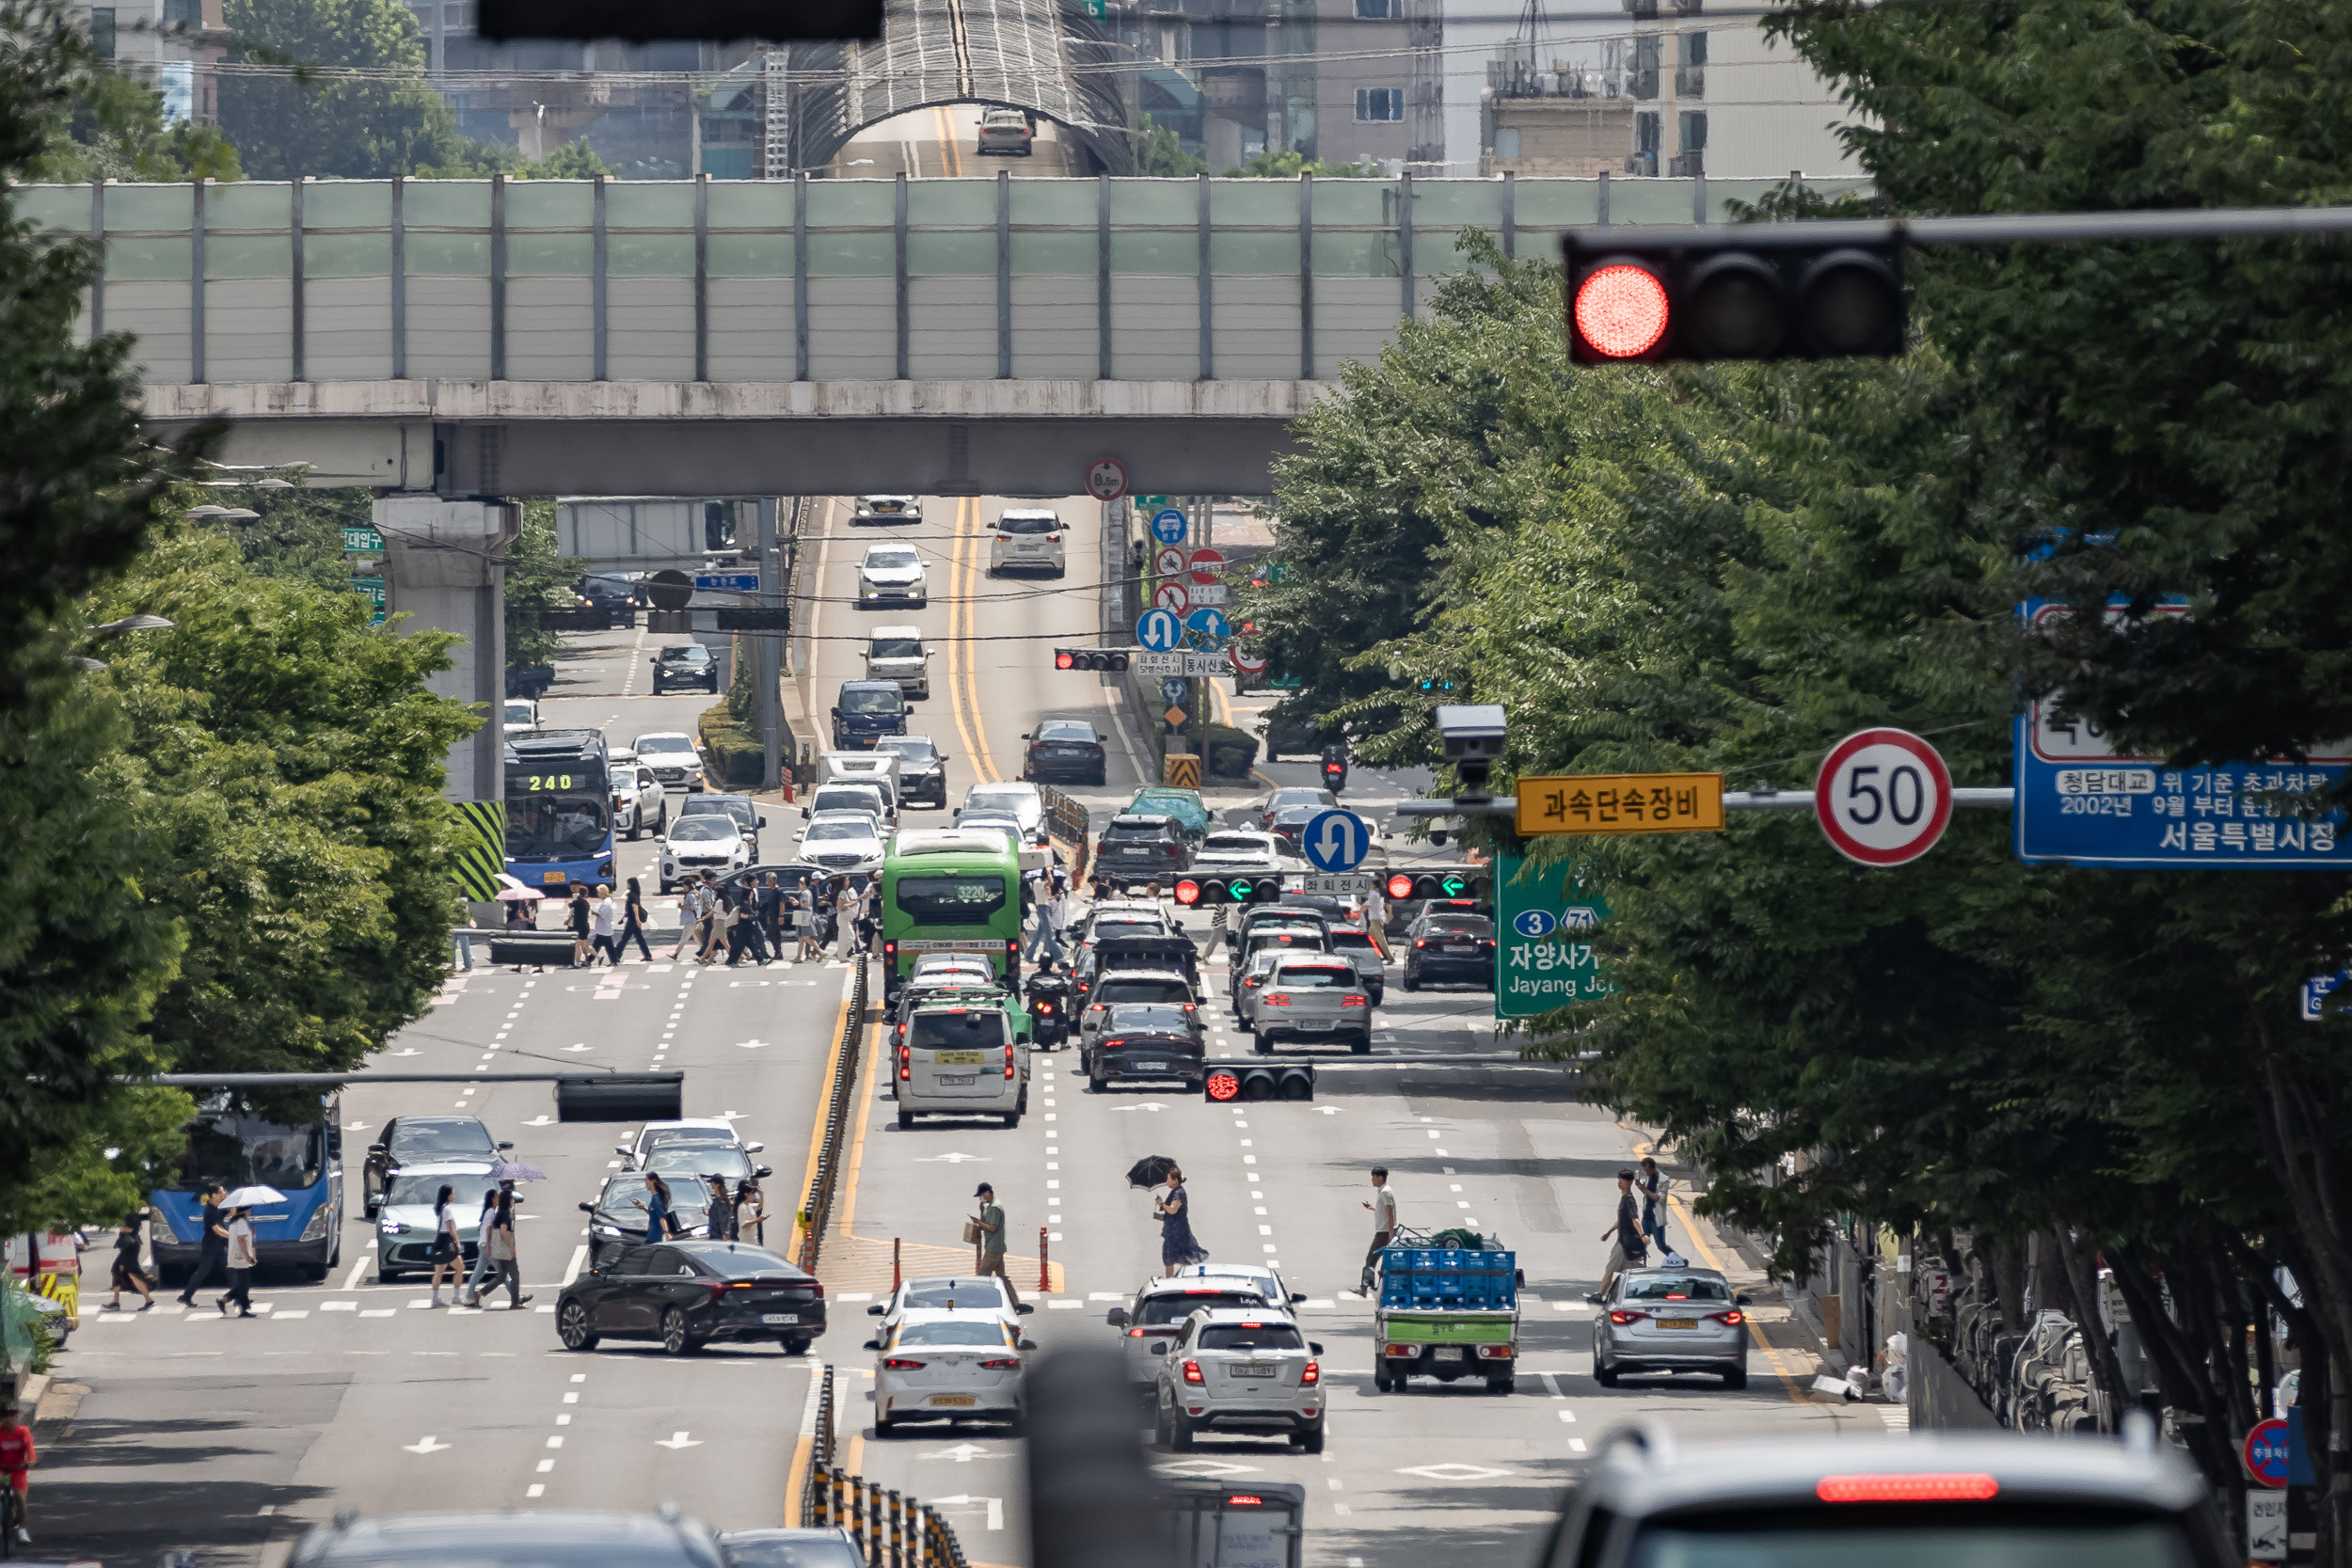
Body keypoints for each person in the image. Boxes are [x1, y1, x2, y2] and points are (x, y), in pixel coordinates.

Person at [1594, 1167, 1648, 1300]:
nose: (1619, 1183)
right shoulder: (1625, 1199)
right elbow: (1621, 1220)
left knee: (1610, 1268)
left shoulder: (1628, 1200)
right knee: (1637, 1272)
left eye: (1622, 1180)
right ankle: (1644, 1294)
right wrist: (1609, 1232)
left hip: (1625, 1243)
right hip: (1626, 1241)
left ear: (1629, 1182)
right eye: (1619, 1180)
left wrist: (1642, 1235)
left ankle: (1600, 1295)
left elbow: (1634, 1219)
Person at [175, 1182, 230, 1307]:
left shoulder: (218, 1208)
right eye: (221, 1192)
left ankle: (240, 1295)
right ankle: (186, 1296)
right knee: (202, 1272)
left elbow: (232, 1212)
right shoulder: (210, 1211)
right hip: (210, 1247)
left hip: (219, 1247)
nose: (223, 1194)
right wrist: (233, 1235)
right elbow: (217, 1230)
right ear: (214, 1195)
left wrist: (229, 1199)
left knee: (231, 1271)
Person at [969, 1182, 1020, 1308]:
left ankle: (976, 1303)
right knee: (1001, 1277)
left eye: (981, 1195)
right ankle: (1015, 1302)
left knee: (982, 1277)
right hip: (996, 1247)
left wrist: (978, 1222)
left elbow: (992, 1227)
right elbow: (985, 1223)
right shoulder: (991, 1206)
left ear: (987, 1193)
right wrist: (981, 1212)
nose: (981, 1198)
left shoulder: (995, 1208)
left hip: (993, 1248)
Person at [479, 1189, 532, 1309]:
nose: (513, 1200)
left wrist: (510, 1219)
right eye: (512, 1198)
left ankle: (480, 1293)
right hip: (505, 1250)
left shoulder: (500, 1213)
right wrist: (511, 1247)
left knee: (502, 1276)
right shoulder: (505, 1213)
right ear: (508, 1200)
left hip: (498, 1250)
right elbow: (503, 1232)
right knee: (515, 1276)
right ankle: (515, 1302)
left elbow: (494, 1228)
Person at [1154, 1166, 1208, 1276]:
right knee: (1169, 1259)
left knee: (1181, 1258)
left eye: (1168, 1178)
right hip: (1172, 1232)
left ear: (1175, 1180)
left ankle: (1193, 1277)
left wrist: (1162, 1204)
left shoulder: (1179, 1193)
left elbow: (1173, 1210)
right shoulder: (1175, 1192)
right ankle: (1170, 1282)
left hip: (1178, 1233)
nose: (1166, 1181)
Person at [460, 1183, 503, 1307]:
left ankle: (469, 1297)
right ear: (492, 1199)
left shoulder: (489, 1212)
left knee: (478, 1273)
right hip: (486, 1245)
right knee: (503, 1272)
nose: (499, 1199)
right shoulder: (490, 1213)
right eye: (497, 1197)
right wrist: (490, 1247)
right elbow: (489, 1231)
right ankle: (516, 1297)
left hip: (483, 1245)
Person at [0, 1404, 36, 1544]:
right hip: (2, 1469)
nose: (10, 1418)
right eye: (7, 1415)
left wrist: (31, 1461)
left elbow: (30, 1449)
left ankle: (22, 1528)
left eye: (13, 1414)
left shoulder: (23, 1431)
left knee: (21, 1500)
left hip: (18, 1470)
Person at [1359, 1166, 1397, 1295]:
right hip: (1385, 1231)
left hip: (1384, 1232)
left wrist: (1391, 1232)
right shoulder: (1384, 1191)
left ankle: (1364, 1288)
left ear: (1380, 1178)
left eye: (1374, 1178)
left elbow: (1390, 1211)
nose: (1372, 1180)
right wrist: (1373, 1208)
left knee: (1371, 1259)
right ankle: (1379, 1287)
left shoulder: (1385, 1192)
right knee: (1384, 1260)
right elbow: (1385, 1211)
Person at [428, 1183, 464, 1307]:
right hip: (447, 1241)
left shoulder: (440, 1208)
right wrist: (457, 1241)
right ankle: (457, 1296)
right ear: (448, 1195)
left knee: (439, 1271)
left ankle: (435, 1298)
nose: (453, 1196)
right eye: (452, 1193)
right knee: (460, 1268)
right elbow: (450, 1228)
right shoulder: (447, 1209)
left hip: (440, 1239)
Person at [109, 1212, 154, 1310]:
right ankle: (115, 1301)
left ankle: (148, 1299)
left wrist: (121, 1228)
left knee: (133, 1274)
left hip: (130, 1247)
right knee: (117, 1271)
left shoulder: (130, 1217)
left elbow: (131, 1229)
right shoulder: (134, 1215)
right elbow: (142, 1222)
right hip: (130, 1246)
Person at [220, 1205, 257, 1317]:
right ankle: (242, 1308)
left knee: (243, 1283)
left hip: (236, 1256)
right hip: (241, 1256)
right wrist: (247, 1256)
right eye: (249, 1209)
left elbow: (241, 1236)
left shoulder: (235, 1221)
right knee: (244, 1283)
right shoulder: (241, 1221)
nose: (250, 1212)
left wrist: (251, 1232)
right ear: (245, 1210)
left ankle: (225, 1301)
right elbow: (241, 1240)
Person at [1636, 1155, 1670, 1255]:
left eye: (1648, 1170)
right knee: (1641, 1244)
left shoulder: (1664, 1180)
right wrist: (1641, 1187)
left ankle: (1677, 1260)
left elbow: (1659, 1199)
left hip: (1656, 1219)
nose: (1647, 1173)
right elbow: (1648, 1195)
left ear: (1654, 1167)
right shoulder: (1648, 1178)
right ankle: (1641, 1266)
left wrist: (1646, 1190)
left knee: (1661, 1246)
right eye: (1645, 1171)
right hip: (1646, 1217)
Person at [633, 1171, 677, 1242]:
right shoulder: (654, 1197)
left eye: (646, 1181)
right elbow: (653, 1213)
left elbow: (661, 1217)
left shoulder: (657, 1199)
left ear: (652, 1181)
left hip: (656, 1234)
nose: (646, 1183)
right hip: (652, 1232)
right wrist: (643, 1207)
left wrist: (666, 1233)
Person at [620, 878, 654, 963]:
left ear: (631, 884)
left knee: (624, 939)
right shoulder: (635, 894)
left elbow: (635, 907)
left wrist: (637, 919)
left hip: (632, 921)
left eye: (628, 883)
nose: (627, 885)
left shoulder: (631, 895)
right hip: (633, 920)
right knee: (639, 938)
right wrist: (623, 917)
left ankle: (616, 955)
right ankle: (647, 955)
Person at [1361, 877, 1392, 963]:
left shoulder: (1374, 894)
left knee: (1381, 940)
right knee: (1370, 938)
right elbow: (1367, 903)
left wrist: (1359, 911)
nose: (1370, 885)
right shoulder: (1377, 893)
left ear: (1374, 885)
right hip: (1376, 918)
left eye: (1371, 884)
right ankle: (1376, 956)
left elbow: (1368, 905)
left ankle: (1390, 958)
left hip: (1376, 919)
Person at [590, 884, 619, 966]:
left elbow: (602, 915)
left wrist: (594, 912)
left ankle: (589, 960)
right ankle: (590, 960)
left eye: (599, 893)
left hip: (604, 928)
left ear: (603, 893)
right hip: (604, 929)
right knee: (602, 946)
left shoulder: (606, 903)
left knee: (599, 946)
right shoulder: (607, 901)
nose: (598, 894)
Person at [566, 882, 593, 968]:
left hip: (577, 926)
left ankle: (575, 961)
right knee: (584, 944)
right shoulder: (586, 903)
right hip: (585, 926)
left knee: (576, 945)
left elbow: (571, 907)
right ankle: (587, 959)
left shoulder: (577, 902)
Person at [706, 1176, 737, 1242]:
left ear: (717, 1185)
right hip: (715, 1233)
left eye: (712, 1184)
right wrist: (709, 1212)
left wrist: (724, 1234)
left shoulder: (721, 1202)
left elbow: (722, 1219)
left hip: (717, 1235)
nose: (712, 1186)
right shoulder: (719, 1200)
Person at [737, 1180, 766, 1245]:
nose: (754, 1196)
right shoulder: (742, 1207)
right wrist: (758, 1219)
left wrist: (761, 1195)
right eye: (752, 1193)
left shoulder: (749, 1205)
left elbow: (760, 1206)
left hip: (753, 1241)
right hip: (747, 1243)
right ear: (746, 1194)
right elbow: (744, 1225)